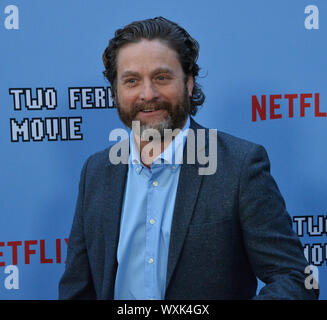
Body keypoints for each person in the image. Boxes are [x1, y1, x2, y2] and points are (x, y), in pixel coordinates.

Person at [58, 17, 318, 300]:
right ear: (116, 91)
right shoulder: (96, 172)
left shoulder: (240, 167)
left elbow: (294, 277)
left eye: (161, 77)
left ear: (189, 83)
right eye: (131, 81)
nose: (148, 94)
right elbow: (77, 289)